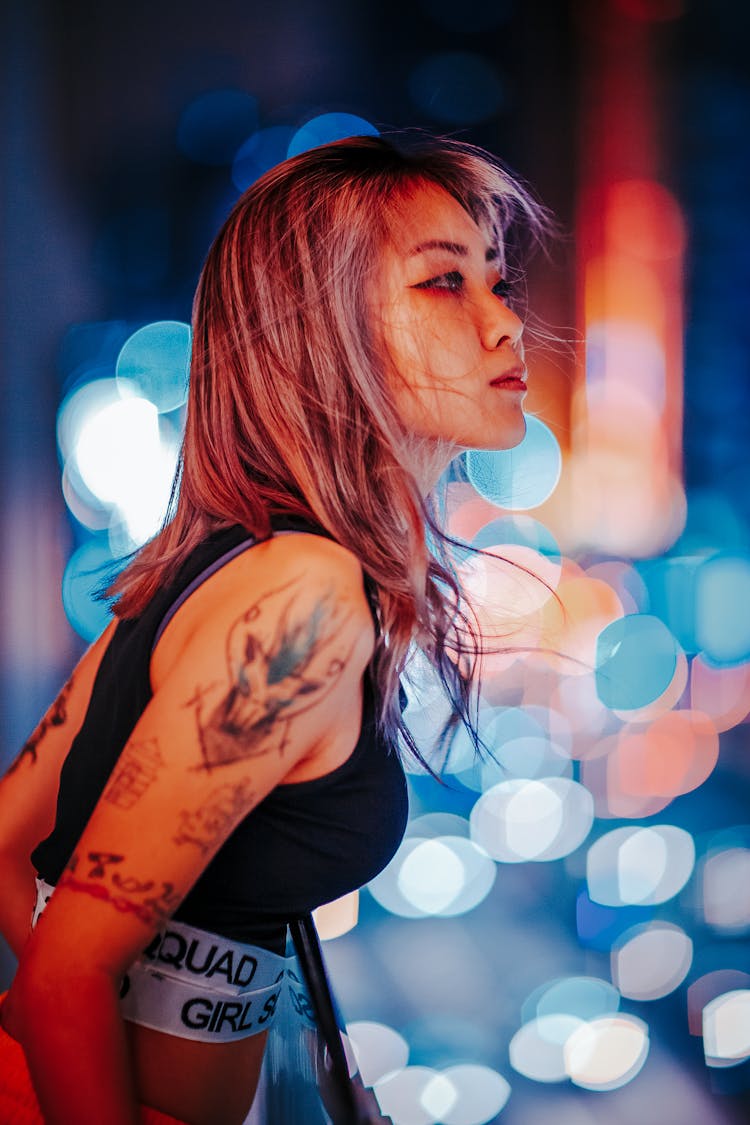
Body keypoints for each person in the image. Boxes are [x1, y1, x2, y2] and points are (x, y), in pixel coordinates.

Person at [0, 132, 549, 1125]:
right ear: (323, 332)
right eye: (443, 285)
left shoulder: (217, 567)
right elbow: (62, 981)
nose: (505, 325)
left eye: (498, 285)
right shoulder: (300, 594)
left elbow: (3, 844)